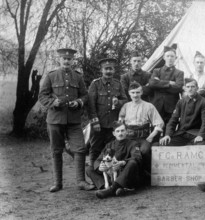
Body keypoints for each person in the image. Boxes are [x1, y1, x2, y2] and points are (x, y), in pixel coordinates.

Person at [38, 48, 95, 192]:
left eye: (69, 59)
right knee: (56, 151)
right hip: (55, 120)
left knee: (80, 149)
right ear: (60, 59)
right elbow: (42, 96)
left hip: (74, 121)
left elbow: (85, 96)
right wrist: (53, 103)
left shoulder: (78, 77)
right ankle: (58, 183)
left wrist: (79, 102)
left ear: (73, 61)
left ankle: (81, 181)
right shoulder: (51, 76)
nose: (67, 61)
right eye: (64, 59)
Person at [119, 82, 164, 181]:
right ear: (129, 93)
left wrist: (151, 137)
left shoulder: (149, 106)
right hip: (129, 138)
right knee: (124, 153)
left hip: (144, 138)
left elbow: (159, 123)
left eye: (138, 92)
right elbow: (120, 123)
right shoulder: (125, 106)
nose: (135, 95)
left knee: (143, 152)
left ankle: (144, 176)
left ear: (142, 92)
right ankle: (130, 177)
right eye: (133, 92)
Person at [87, 58, 128, 167]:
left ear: (114, 70)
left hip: (113, 124)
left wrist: (118, 102)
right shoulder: (95, 84)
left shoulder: (118, 84)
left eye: (111, 69)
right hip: (99, 122)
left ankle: (111, 172)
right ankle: (93, 171)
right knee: (95, 147)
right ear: (101, 70)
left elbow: (125, 100)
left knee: (111, 148)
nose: (109, 71)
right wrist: (95, 122)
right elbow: (91, 104)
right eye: (106, 69)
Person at [86, 121, 142, 199]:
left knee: (133, 163)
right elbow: (98, 160)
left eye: (122, 131)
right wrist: (100, 166)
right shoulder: (109, 145)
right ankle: (107, 188)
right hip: (111, 176)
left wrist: (123, 163)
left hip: (126, 176)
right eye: (118, 131)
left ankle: (112, 189)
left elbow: (137, 157)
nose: (120, 133)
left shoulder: (133, 144)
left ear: (126, 132)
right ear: (114, 133)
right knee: (89, 169)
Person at [159, 78, 205, 146]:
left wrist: (201, 135)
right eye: (188, 87)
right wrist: (167, 134)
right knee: (164, 144)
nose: (190, 89)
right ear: (184, 88)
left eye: (193, 86)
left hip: (196, 133)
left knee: (200, 148)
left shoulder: (204, 102)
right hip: (182, 133)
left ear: (197, 88)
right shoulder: (181, 102)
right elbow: (173, 120)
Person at [149, 46, 184, 126]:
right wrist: (169, 83)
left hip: (171, 105)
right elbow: (152, 84)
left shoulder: (179, 73)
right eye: (167, 56)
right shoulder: (157, 71)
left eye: (172, 56)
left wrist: (159, 84)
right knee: (156, 128)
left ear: (175, 58)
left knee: (169, 128)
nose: (170, 58)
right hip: (157, 104)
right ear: (164, 57)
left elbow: (178, 87)